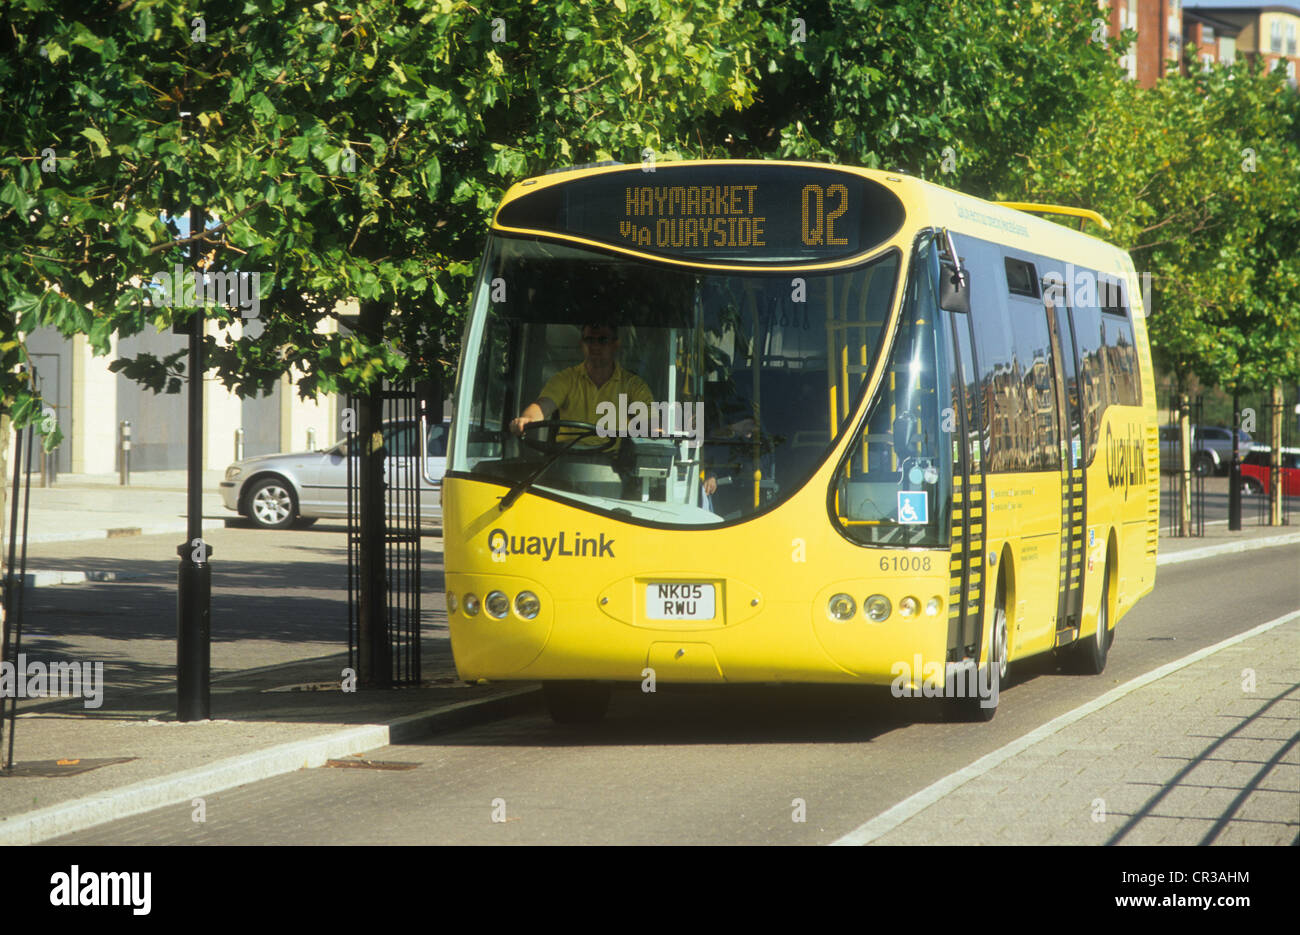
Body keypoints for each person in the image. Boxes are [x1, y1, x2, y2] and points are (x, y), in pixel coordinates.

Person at [510, 320, 654, 447]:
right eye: (590, 340)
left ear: (615, 344)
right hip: (564, 461)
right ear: (582, 344)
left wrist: (654, 429)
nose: (595, 346)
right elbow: (543, 404)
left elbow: (649, 420)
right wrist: (527, 419)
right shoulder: (565, 379)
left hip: (614, 468)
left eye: (603, 340)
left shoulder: (633, 385)